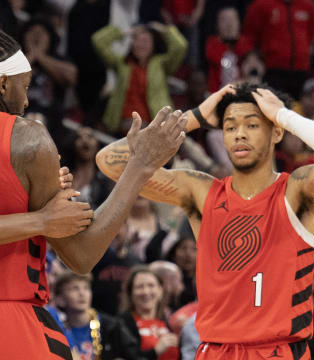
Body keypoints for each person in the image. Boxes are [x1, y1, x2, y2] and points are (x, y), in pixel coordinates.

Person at [97, 81, 314, 359]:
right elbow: (109, 162)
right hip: (215, 350)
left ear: (276, 132)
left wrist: (285, 115)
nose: (239, 134)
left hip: (278, 351)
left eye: (252, 125)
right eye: (230, 126)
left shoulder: (297, 191)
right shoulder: (201, 192)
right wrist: (194, 117)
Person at [0, 29, 186, 359]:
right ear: (3, 85)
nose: (27, 101)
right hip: (11, 323)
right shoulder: (24, 138)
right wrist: (139, 167)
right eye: (25, 87)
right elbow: (81, 255)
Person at [119, 265, 180, 359]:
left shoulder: (167, 321)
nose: (146, 292)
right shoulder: (122, 323)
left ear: (160, 290)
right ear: (130, 293)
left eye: (151, 285)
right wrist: (155, 351)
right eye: (140, 287)